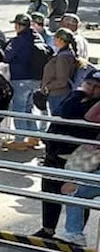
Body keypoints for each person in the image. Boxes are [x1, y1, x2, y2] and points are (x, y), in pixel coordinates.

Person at [35, 72, 100, 242]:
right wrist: (79, 92)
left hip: (77, 156)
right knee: (50, 191)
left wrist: (80, 93)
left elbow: (69, 113)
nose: (92, 89)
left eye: (97, 86)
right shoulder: (76, 96)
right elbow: (60, 110)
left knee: (77, 192)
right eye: (89, 84)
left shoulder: (93, 105)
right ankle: (48, 229)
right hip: (56, 151)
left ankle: (74, 233)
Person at [5, 13, 49, 149]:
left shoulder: (18, 40)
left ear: (19, 25)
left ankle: (19, 140)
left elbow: (6, 57)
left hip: (21, 79)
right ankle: (34, 136)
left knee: (19, 109)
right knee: (28, 108)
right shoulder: (38, 37)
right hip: (37, 79)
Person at [43, 28, 80, 117]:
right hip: (59, 93)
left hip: (58, 94)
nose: (53, 39)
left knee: (57, 119)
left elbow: (62, 81)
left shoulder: (63, 57)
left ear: (61, 40)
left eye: (55, 37)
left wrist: (47, 87)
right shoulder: (65, 53)